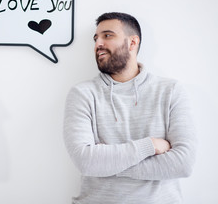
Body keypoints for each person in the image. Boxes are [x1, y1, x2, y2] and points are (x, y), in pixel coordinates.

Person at [63, 12, 196, 204]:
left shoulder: (171, 91)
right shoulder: (83, 94)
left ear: (133, 43)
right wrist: (150, 145)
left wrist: (107, 164)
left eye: (107, 36)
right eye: (96, 38)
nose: (98, 44)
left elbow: (183, 164)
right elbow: (86, 162)